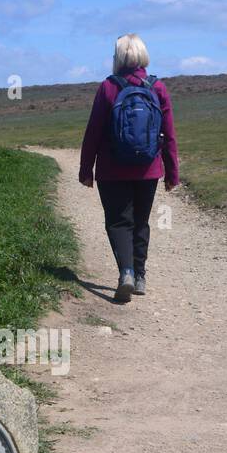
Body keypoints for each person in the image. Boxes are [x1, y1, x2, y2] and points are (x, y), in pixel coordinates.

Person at [78, 33, 180, 302]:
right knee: (141, 222)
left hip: (112, 170)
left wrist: (86, 169)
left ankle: (126, 273)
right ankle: (141, 276)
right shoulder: (157, 87)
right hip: (148, 169)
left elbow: (93, 132)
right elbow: (169, 134)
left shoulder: (108, 87)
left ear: (119, 58)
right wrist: (172, 173)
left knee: (118, 221)